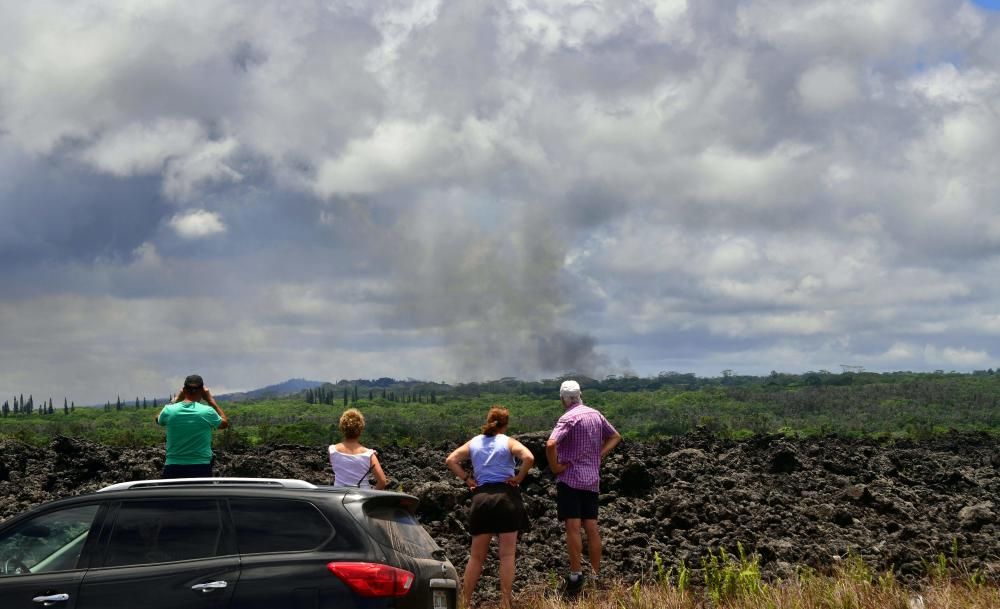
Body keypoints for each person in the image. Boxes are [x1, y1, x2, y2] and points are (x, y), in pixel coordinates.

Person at [445, 407, 534, 609]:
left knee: (476, 556)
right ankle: (504, 602)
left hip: (481, 498)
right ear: (505, 424)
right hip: (506, 498)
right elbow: (528, 457)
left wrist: (467, 479)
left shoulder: (475, 442)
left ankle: (464, 601)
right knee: (507, 555)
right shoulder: (508, 441)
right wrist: (519, 477)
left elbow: (450, 460)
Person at [545, 380, 621, 593]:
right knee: (591, 526)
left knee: (572, 526)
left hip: (569, 478)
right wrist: (598, 455)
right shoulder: (595, 414)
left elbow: (550, 444)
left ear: (563, 399)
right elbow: (615, 436)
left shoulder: (568, 418)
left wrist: (555, 467)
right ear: (579, 395)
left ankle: (576, 573)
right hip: (591, 479)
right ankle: (596, 574)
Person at [155, 374, 229, 479]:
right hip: (201, 467)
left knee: (172, 496)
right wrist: (211, 401)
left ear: (184, 390)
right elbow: (224, 423)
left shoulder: (169, 410)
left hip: (173, 467)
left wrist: (176, 400)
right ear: (202, 391)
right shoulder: (207, 411)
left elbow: (158, 419)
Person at [329, 408, 387, 489]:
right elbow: (382, 481)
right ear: (361, 429)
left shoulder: (332, 450)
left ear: (342, 428)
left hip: (340, 497)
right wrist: (370, 497)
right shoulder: (369, 455)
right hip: (363, 498)